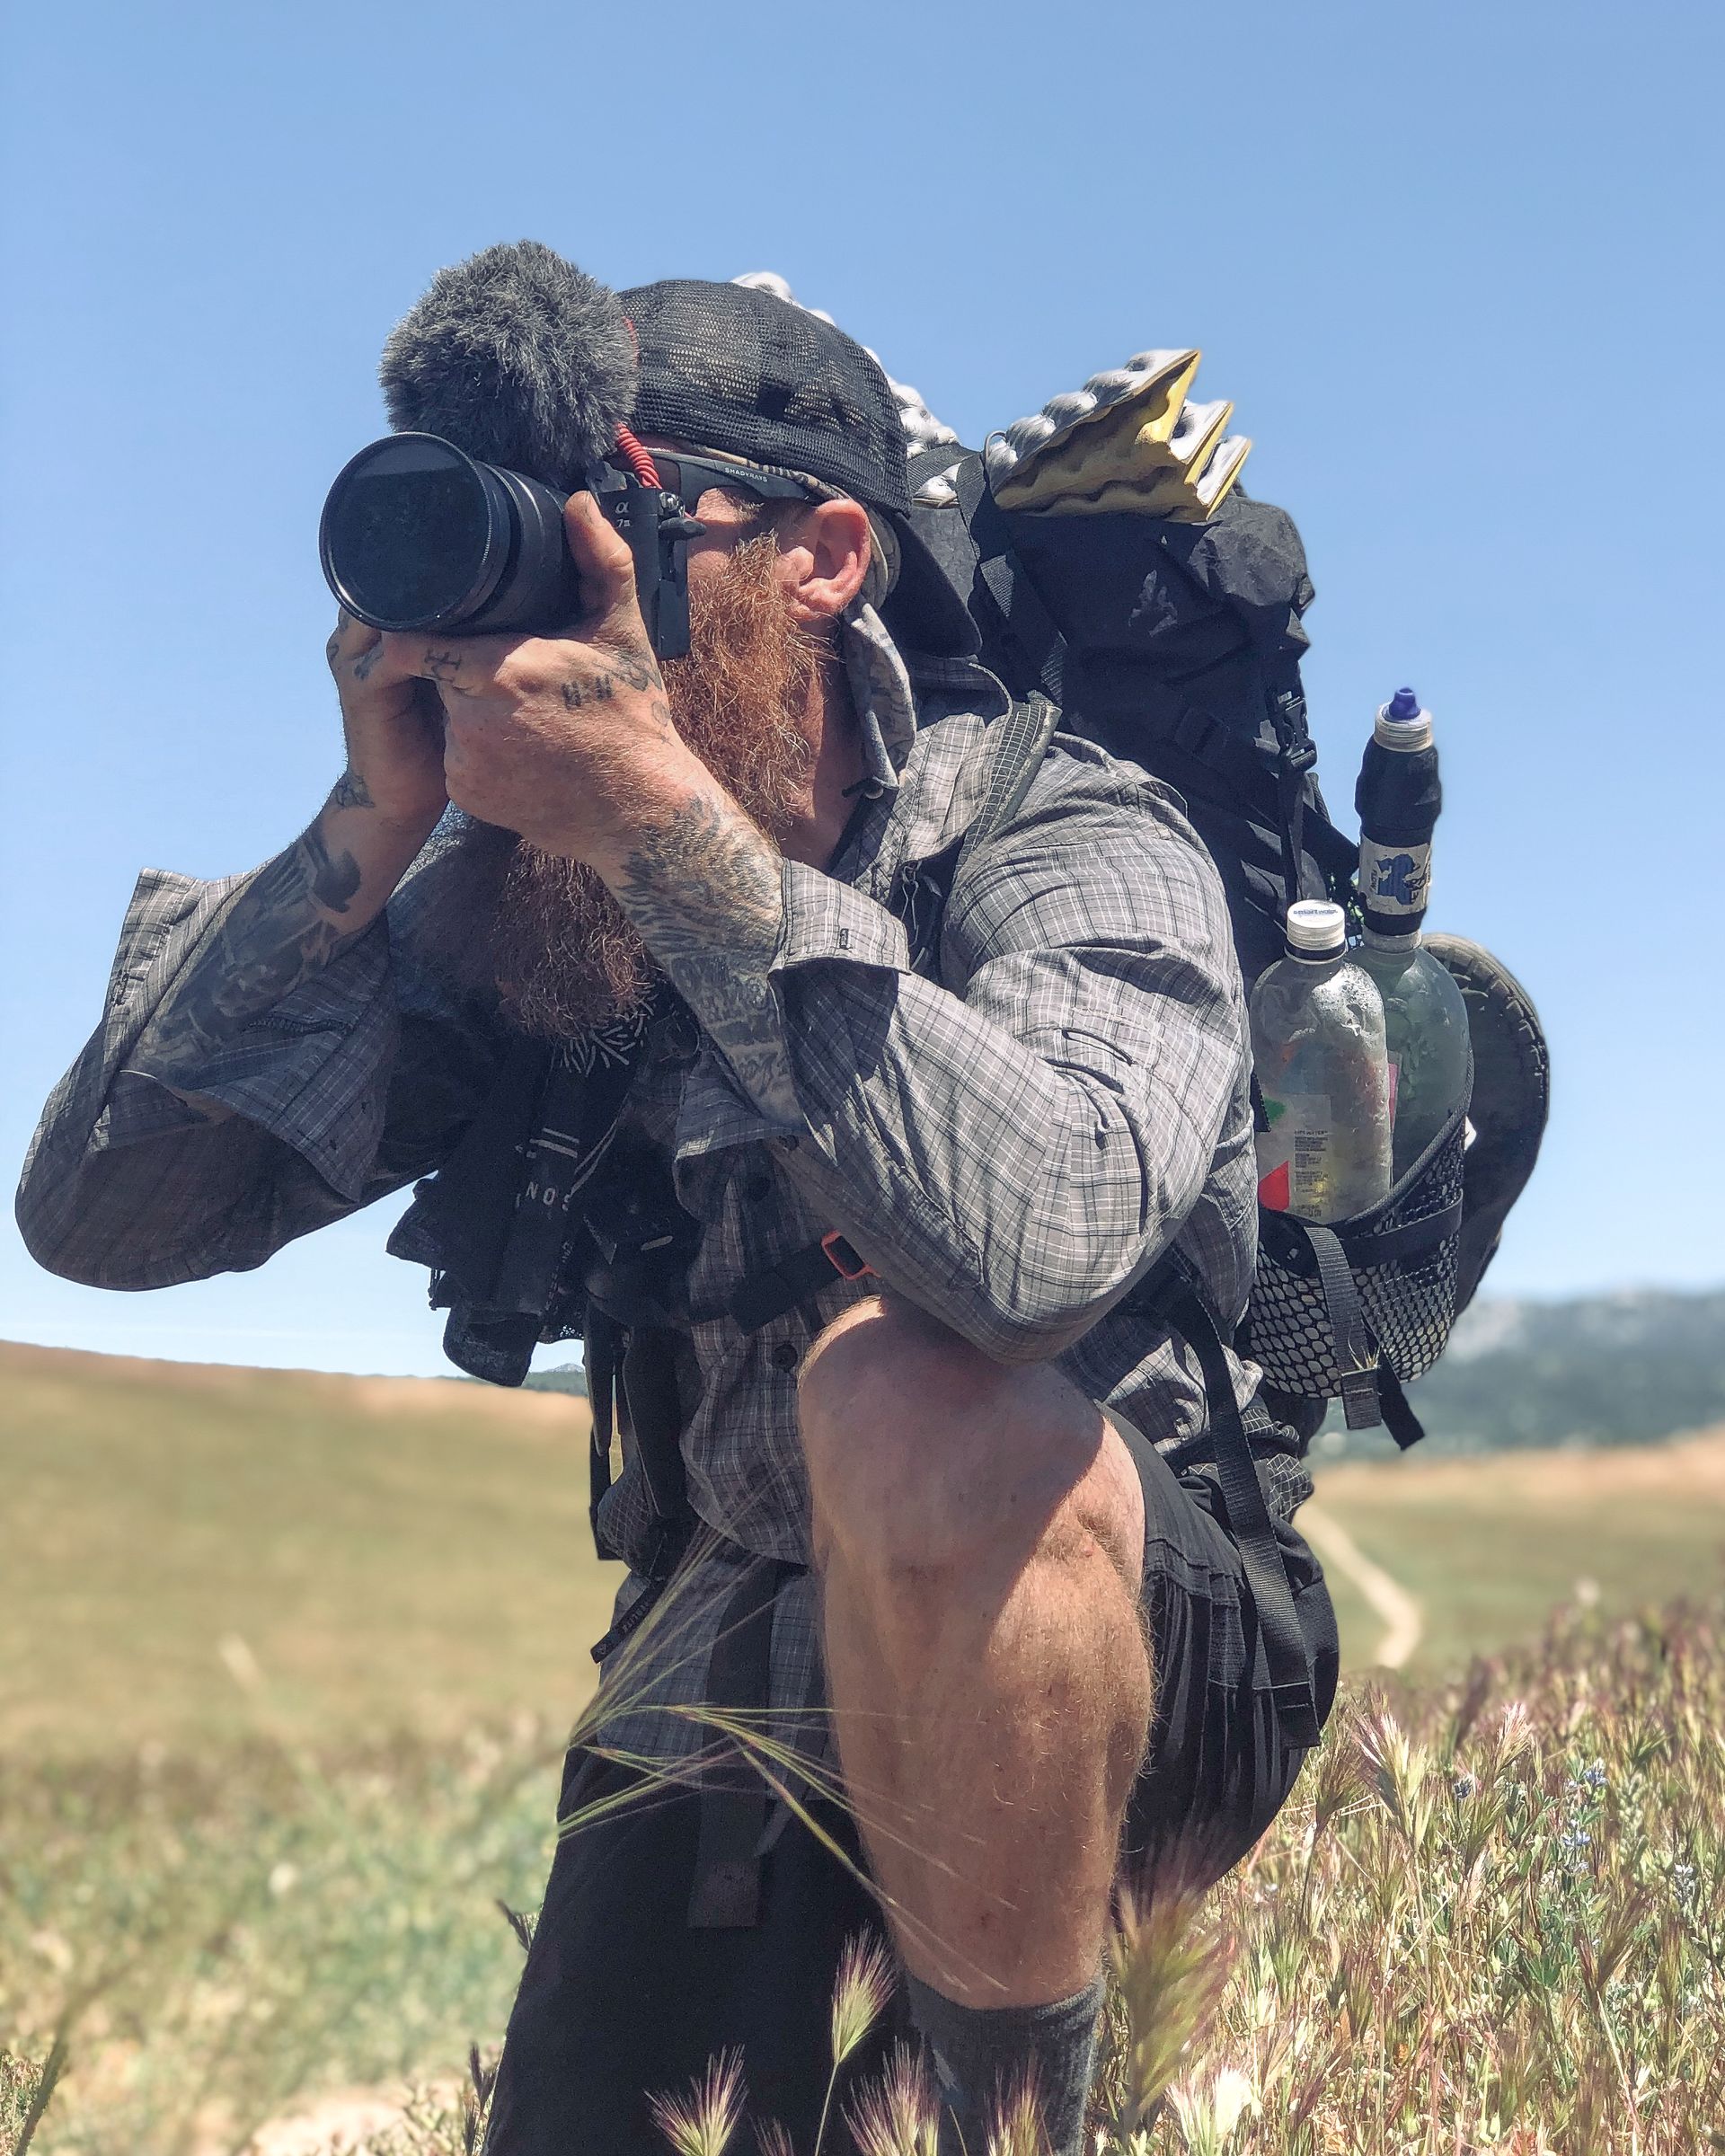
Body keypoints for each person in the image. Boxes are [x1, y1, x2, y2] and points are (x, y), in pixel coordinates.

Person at [16, 269, 1337, 2156]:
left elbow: (1038, 1251)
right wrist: (362, 833)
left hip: (1112, 1630)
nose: (556, 606)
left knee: (918, 1398)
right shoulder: (527, 902)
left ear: (825, 559)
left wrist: (660, 822)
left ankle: (1019, 2121)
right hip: (725, 1663)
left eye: (618, 532)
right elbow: (106, 1221)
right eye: (514, 548)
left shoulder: (1064, 831)